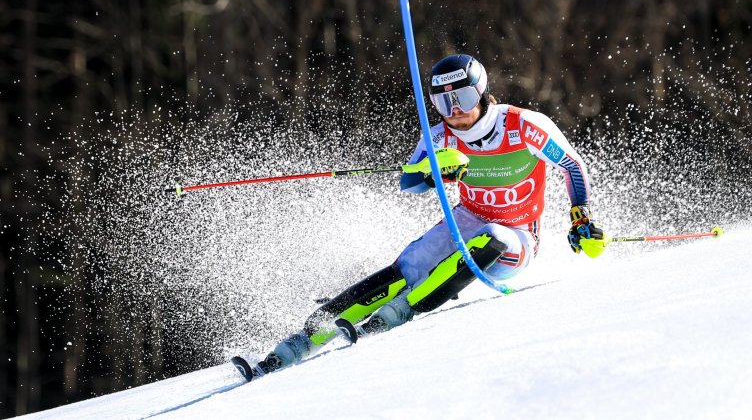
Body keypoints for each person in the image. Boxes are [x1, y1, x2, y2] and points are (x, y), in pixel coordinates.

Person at [233, 54, 605, 380]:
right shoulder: (440, 135)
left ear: (481, 92)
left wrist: (579, 216)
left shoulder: (523, 125)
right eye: (443, 103)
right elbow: (408, 182)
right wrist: (433, 171)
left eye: (462, 98)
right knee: (412, 263)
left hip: (518, 237)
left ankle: (397, 313)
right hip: (466, 219)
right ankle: (300, 341)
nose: (454, 110)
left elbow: (572, 165)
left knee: (493, 236)